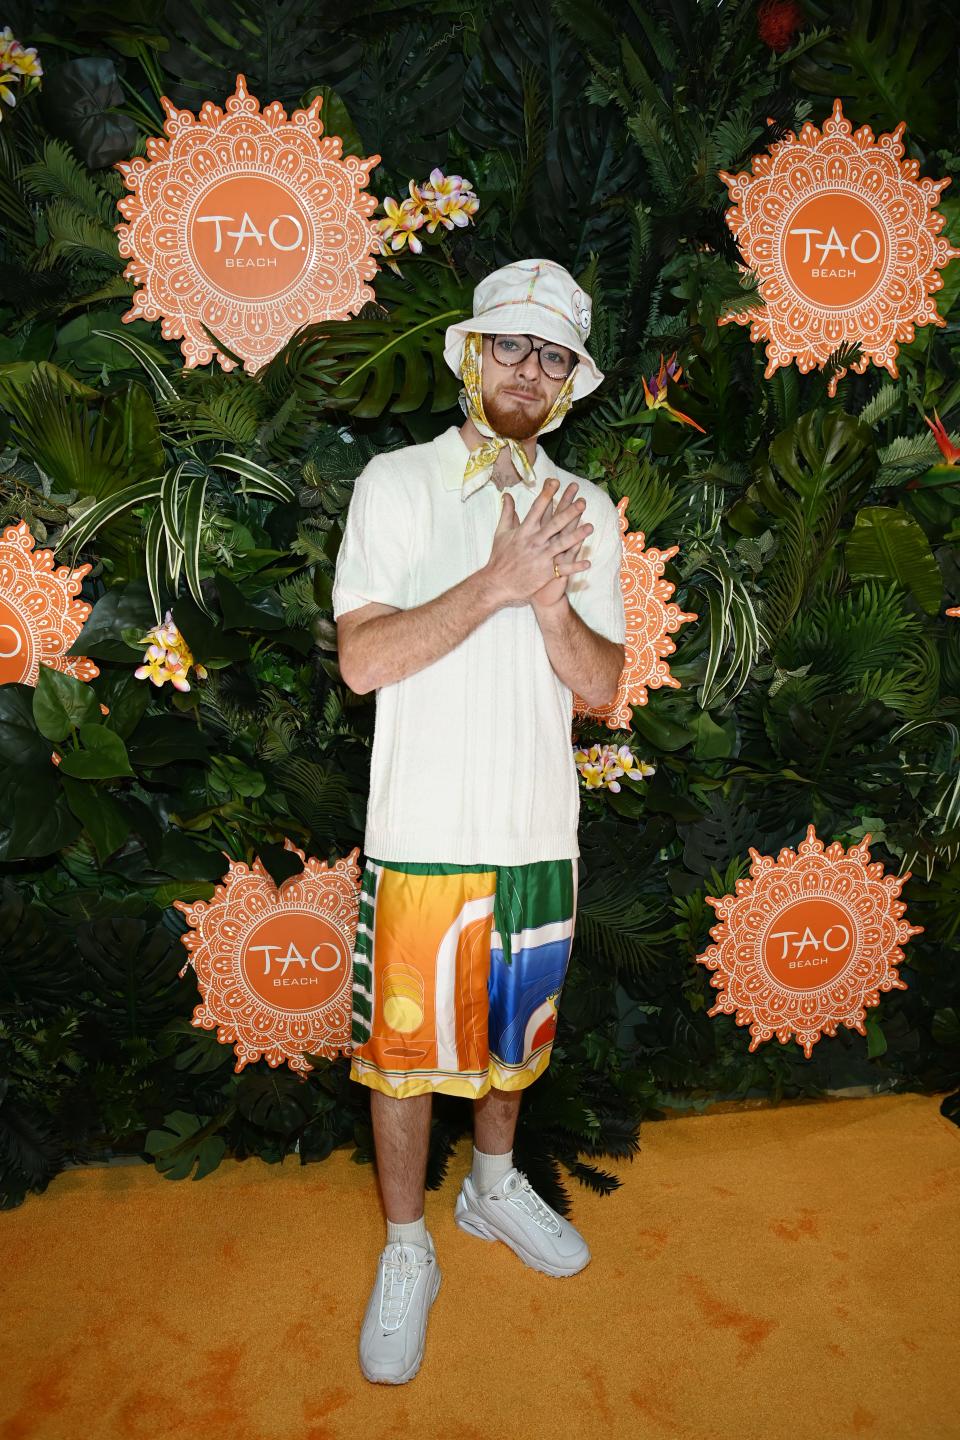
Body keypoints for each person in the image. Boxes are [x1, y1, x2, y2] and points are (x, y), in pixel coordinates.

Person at [332, 257, 627, 1385]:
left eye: (551, 355)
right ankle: (410, 1245)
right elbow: (363, 661)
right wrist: (497, 582)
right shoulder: (395, 485)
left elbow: (600, 686)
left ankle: (494, 1191)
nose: (529, 370)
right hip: (421, 833)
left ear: (568, 383)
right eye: (511, 345)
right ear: (470, 354)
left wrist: (551, 600)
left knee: (517, 1043)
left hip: (537, 835)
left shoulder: (586, 509)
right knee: (401, 1065)